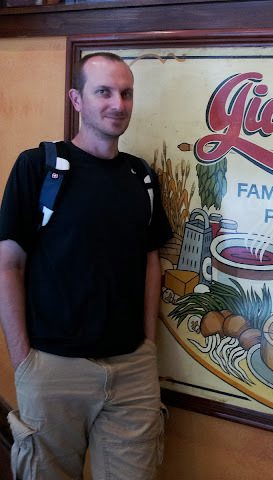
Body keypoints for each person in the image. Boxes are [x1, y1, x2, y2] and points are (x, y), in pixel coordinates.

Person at [0, 52, 173, 479]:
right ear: (76, 100)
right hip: (53, 367)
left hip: (132, 369)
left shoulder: (141, 177)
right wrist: (23, 362)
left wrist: (148, 346)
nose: (118, 104)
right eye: (104, 92)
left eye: (126, 93)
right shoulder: (39, 167)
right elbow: (8, 266)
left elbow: (151, 260)